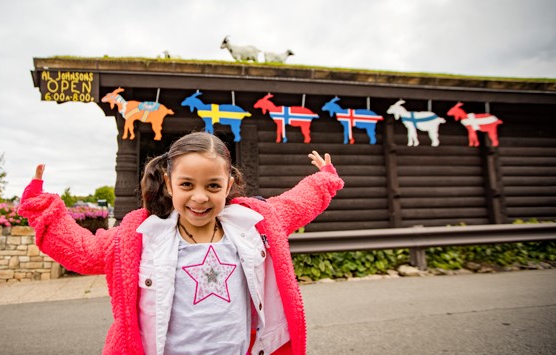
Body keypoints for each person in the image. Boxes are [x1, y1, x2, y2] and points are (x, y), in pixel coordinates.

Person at [18, 132, 344, 355]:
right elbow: (85, 252)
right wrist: (41, 206)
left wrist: (326, 178)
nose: (200, 197)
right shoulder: (140, 236)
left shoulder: (255, 224)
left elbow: (298, 202)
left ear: (228, 185)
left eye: (213, 186)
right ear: (170, 185)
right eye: (187, 184)